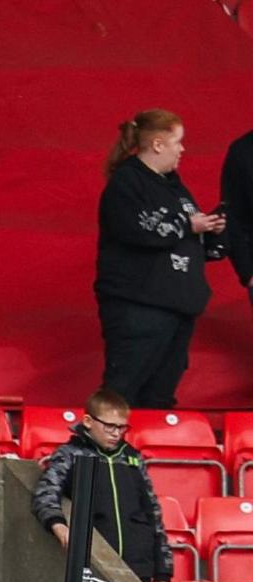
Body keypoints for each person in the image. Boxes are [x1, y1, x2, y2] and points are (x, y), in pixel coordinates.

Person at [97, 110, 222, 411]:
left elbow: (186, 237)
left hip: (177, 305)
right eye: (178, 142)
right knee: (124, 387)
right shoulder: (127, 184)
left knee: (160, 392)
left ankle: (149, 454)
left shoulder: (175, 189)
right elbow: (140, 231)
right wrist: (188, 225)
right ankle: (98, 455)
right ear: (157, 144)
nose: (182, 149)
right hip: (139, 305)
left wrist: (213, 231)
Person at [32, 388, 172, 582]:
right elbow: (45, 493)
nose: (116, 434)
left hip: (137, 566)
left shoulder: (132, 458)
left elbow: (153, 514)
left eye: (122, 428)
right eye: (109, 426)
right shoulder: (70, 454)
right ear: (88, 422)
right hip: (94, 563)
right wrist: (59, 526)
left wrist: (162, 571)